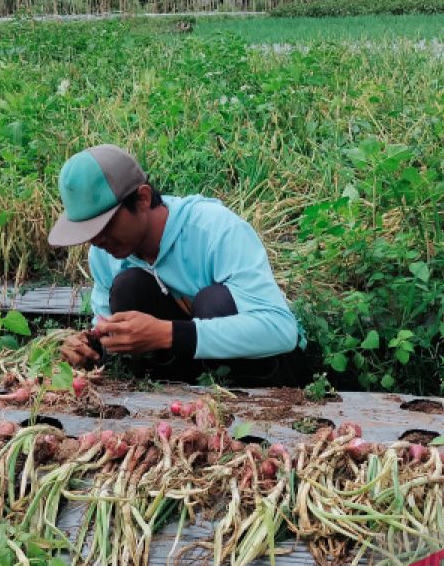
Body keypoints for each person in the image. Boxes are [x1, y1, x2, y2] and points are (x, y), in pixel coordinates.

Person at [48, 144, 306, 385]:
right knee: (129, 287)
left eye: (106, 225)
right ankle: (173, 395)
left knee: (214, 303)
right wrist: (90, 344)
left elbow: (281, 330)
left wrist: (165, 333)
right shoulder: (105, 252)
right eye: (88, 231)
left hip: (260, 375)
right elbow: (106, 324)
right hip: (184, 375)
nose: (98, 239)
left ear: (143, 199)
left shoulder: (214, 230)